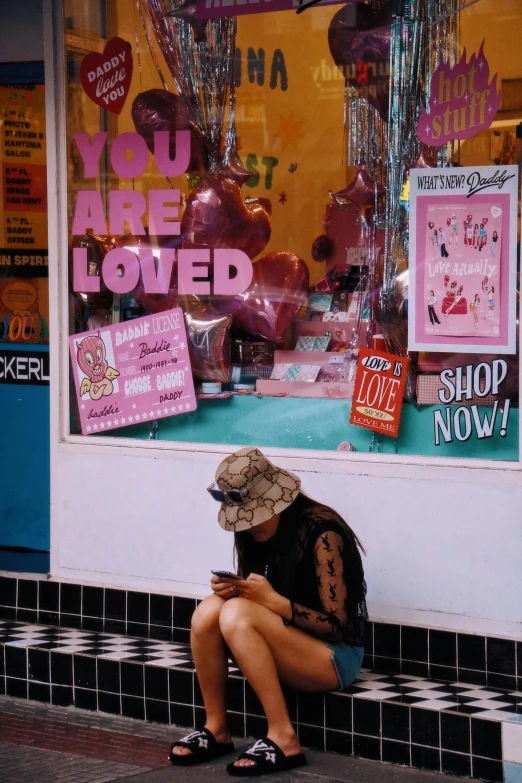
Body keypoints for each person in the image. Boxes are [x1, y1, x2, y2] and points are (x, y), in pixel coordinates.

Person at [169, 447, 367, 776]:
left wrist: (271, 601)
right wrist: (238, 589)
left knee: (235, 615)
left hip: (335, 656)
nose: (249, 525)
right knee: (207, 612)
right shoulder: (251, 531)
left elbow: (338, 627)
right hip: (286, 638)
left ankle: (283, 737)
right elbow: (256, 601)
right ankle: (216, 728)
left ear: (277, 501)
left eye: (256, 514)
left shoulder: (324, 534)